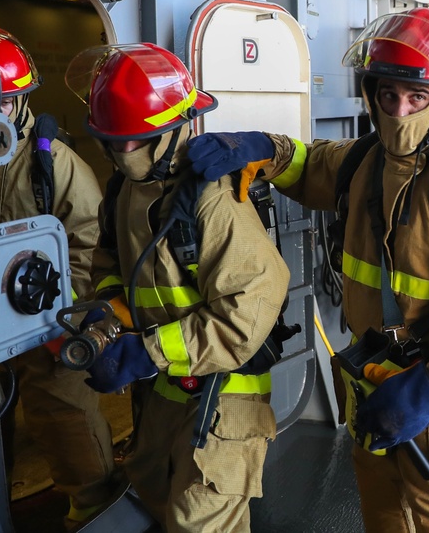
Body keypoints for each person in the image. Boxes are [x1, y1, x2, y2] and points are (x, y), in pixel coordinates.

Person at [187, 7, 429, 532]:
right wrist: (261, 148)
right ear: (372, 94)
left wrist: (428, 389)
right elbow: (309, 165)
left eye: (417, 96)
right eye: (388, 94)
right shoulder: (362, 163)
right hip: (372, 393)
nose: (400, 110)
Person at [63, 42, 291, 532]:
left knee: (199, 522)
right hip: (163, 398)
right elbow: (109, 262)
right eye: (112, 140)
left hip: (225, 397)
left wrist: (149, 352)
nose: (120, 152)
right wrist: (108, 316)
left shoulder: (214, 200)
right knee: (157, 500)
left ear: (172, 132)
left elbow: (250, 308)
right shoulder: (123, 191)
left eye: (133, 141)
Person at [0, 25, 125, 531]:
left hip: (42, 317)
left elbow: (89, 241)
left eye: (9, 102)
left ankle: (93, 505)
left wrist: (64, 313)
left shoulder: (52, 163)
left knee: (64, 410)